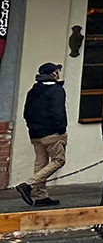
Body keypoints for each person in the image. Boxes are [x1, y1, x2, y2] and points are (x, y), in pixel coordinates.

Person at [17, 62, 68, 206]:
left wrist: (32, 127)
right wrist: (61, 130)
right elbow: (59, 113)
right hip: (52, 133)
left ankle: (41, 196)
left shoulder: (33, 90)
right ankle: (27, 185)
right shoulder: (57, 90)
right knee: (59, 160)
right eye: (57, 71)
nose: (58, 73)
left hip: (35, 134)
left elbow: (26, 113)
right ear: (53, 74)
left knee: (41, 163)